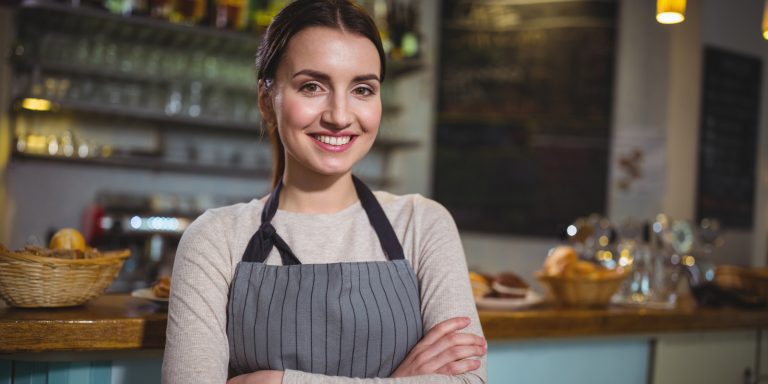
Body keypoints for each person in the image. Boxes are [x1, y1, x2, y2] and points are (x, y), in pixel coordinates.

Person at [162, 1, 487, 383]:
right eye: (312, 86)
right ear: (267, 100)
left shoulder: (423, 223)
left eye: (363, 89)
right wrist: (400, 380)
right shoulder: (215, 239)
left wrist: (274, 381)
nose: (339, 115)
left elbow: (466, 380)